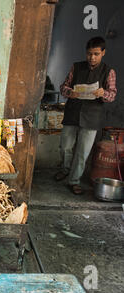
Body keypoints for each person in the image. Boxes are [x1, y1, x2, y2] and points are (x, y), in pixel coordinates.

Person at [55, 36, 117, 195]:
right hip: (72, 113)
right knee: (65, 147)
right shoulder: (76, 67)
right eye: (89, 54)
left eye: (96, 54)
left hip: (92, 117)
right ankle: (65, 168)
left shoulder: (108, 72)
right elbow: (63, 87)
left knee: (82, 152)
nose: (92, 57)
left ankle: (74, 181)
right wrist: (70, 92)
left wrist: (104, 93)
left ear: (103, 53)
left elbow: (112, 95)